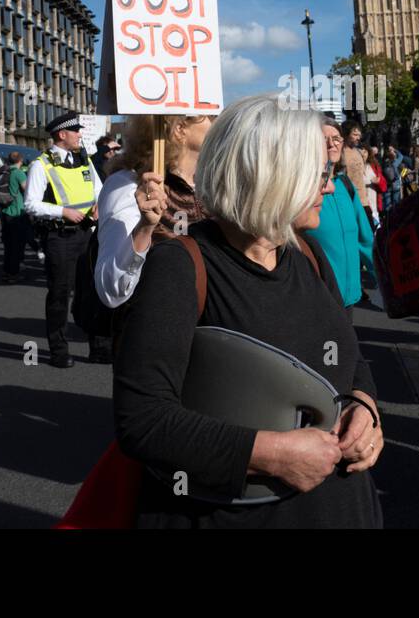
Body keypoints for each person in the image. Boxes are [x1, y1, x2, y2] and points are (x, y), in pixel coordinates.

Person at [113, 94, 383, 527]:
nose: (328, 186)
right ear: (270, 175)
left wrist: (365, 409)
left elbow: (348, 359)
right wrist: (271, 455)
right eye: (317, 174)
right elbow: (142, 420)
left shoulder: (310, 256)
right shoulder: (180, 265)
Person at [93, 113, 212, 320]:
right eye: (208, 115)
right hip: (156, 328)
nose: (217, 120)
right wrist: (145, 228)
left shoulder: (212, 184)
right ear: (180, 129)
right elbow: (111, 290)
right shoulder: (129, 184)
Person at [25, 111, 103, 367]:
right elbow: (31, 204)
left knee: (92, 292)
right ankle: (58, 350)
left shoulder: (84, 160)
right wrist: (63, 211)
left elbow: (99, 191)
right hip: (60, 237)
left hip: (87, 233)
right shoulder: (41, 164)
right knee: (60, 294)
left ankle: (98, 348)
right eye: (76, 131)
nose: (81, 135)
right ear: (62, 135)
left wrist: (99, 205)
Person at [306, 118, 376, 317]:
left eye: (336, 138)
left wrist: (385, 282)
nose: (331, 144)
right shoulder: (302, 189)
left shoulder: (345, 186)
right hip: (317, 300)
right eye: (323, 139)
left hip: (349, 300)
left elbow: (366, 240)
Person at [0, 152, 32, 284]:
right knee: (16, 245)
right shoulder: (18, 173)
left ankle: (7, 271)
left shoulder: (5, 171)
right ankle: (13, 273)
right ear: (21, 160)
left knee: (8, 245)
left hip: (6, 211)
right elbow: (27, 190)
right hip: (17, 212)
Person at [339, 119, 375, 228]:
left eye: (359, 135)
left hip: (364, 201)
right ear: (346, 134)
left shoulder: (359, 152)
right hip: (349, 202)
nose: (358, 137)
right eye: (355, 134)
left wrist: (367, 199)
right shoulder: (340, 153)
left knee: (370, 231)